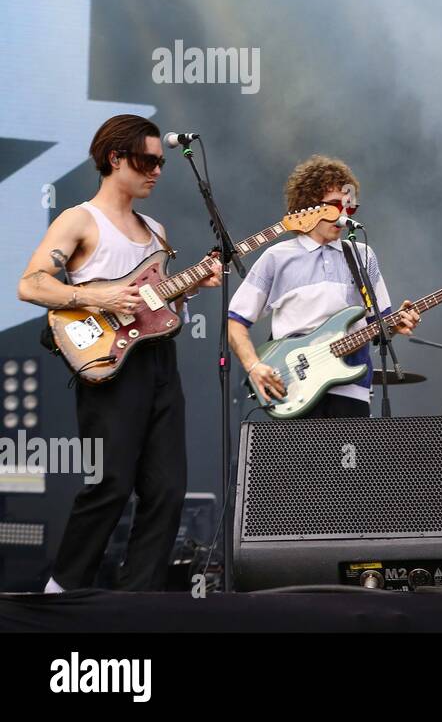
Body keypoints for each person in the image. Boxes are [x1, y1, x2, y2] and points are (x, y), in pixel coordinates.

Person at [17, 115, 221, 590]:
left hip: (158, 362)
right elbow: (31, 284)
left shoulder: (155, 228)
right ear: (115, 158)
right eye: (147, 160)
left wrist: (190, 288)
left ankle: (137, 601)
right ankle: (63, 588)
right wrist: (99, 297)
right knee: (110, 485)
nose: (156, 170)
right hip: (108, 365)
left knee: (167, 490)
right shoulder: (80, 219)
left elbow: (153, 307)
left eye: (161, 163)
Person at [228, 155, 418, 418]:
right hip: (294, 388)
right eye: (333, 206)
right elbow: (235, 321)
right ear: (307, 206)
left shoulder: (362, 255)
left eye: (348, 208)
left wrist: (396, 324)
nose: (342, 216)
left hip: (352, 390)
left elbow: (379, 326)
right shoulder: (277, 257)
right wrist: (253, 366)